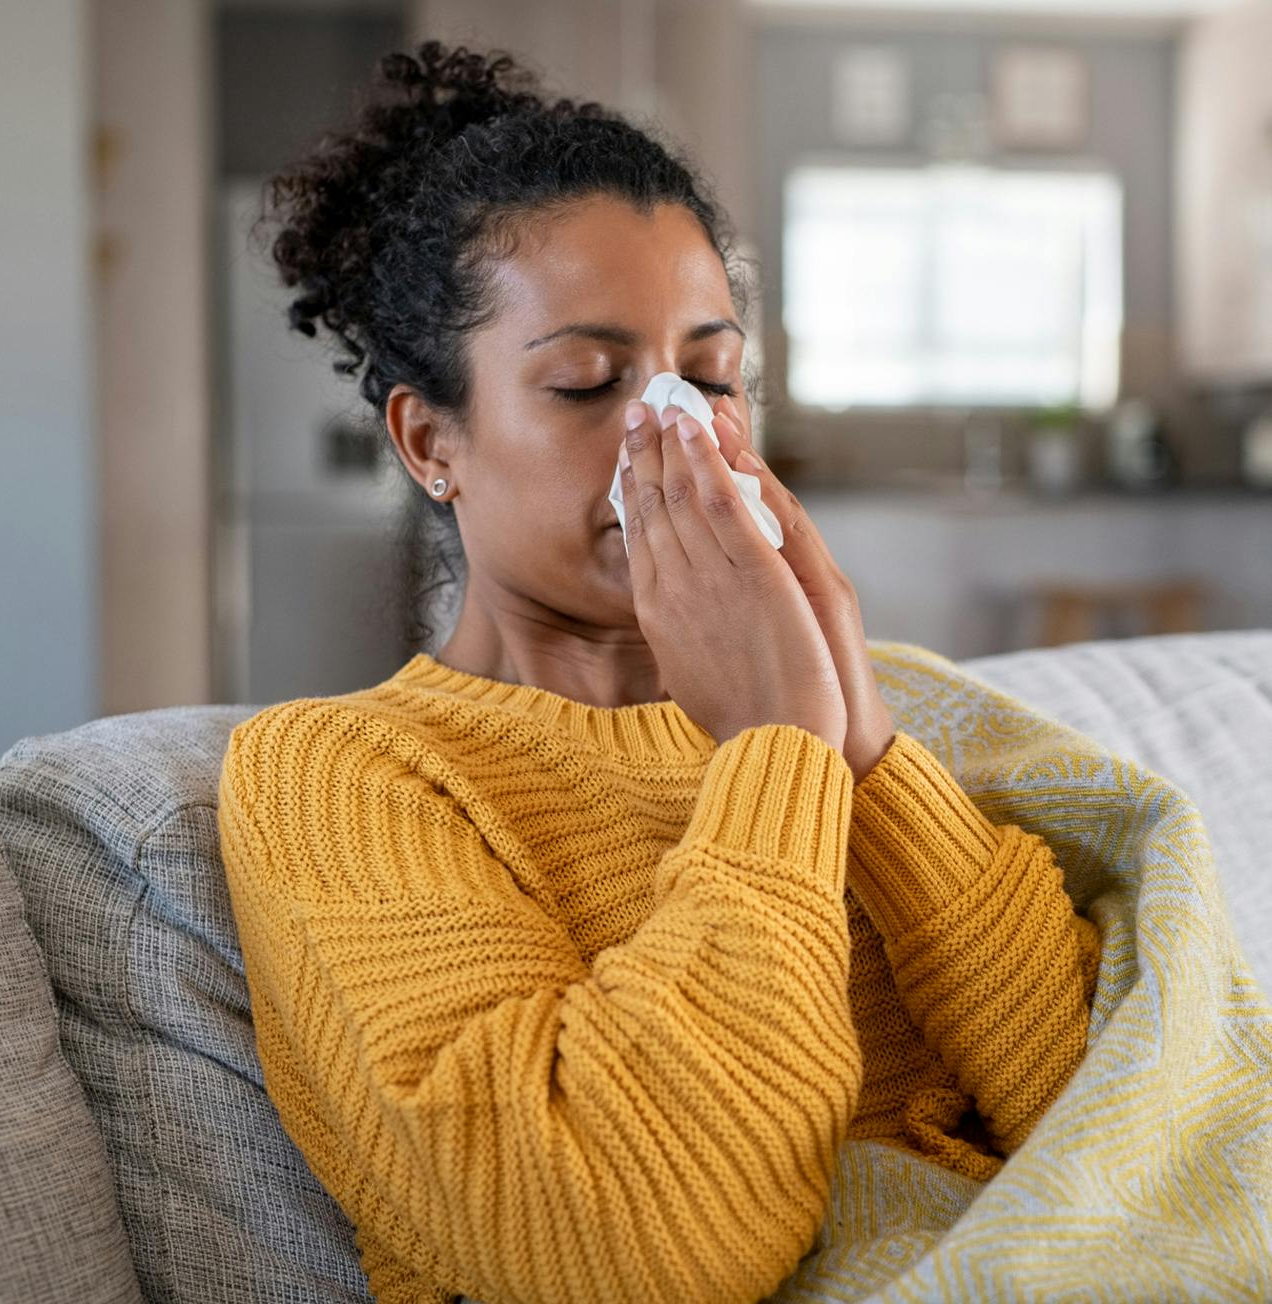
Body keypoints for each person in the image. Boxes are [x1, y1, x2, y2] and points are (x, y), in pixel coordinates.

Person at [216, 39, 1100, 1304]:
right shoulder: (343, 777)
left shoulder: (855, 694)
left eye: (711, 375)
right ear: (429, 440)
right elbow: (637, 1244)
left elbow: (1120, 1110)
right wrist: (777, 757)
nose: (673, 429)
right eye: (586, 382)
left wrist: (861, 747)